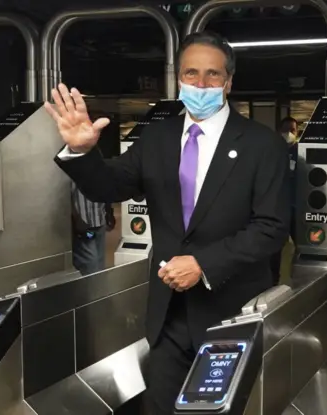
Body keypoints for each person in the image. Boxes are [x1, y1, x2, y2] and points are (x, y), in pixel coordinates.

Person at [44, 30, 290, 415]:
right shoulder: (158, 137)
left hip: (231, 313)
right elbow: (109, 186)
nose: (201, 84)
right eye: (191, 74)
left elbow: (271, 228)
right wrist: (82, 152)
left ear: (228, 82)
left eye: (212, 75)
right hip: (168, 316)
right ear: (179, 79)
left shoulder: (263, 146)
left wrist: (204, 264)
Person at [270, 116, 298, 285]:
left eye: (292, 130)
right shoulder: (271, 150)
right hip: (276, 209)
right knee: (273, 249)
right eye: (285, 129)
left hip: (295, 208)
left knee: (302, 246)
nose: (289, 133)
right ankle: (272, 282)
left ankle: (299, 280)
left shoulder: (301, 152)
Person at [71, 184, 114, 275]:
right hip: (84, 229)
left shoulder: (100, 170)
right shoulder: (75, 170)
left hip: (100, 222)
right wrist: (77, 219)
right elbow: (65, 196)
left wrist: (109, 211)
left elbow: (104, 189)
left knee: (100, 265)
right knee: (91, 266)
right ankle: (90, 288)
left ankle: (98, 288)